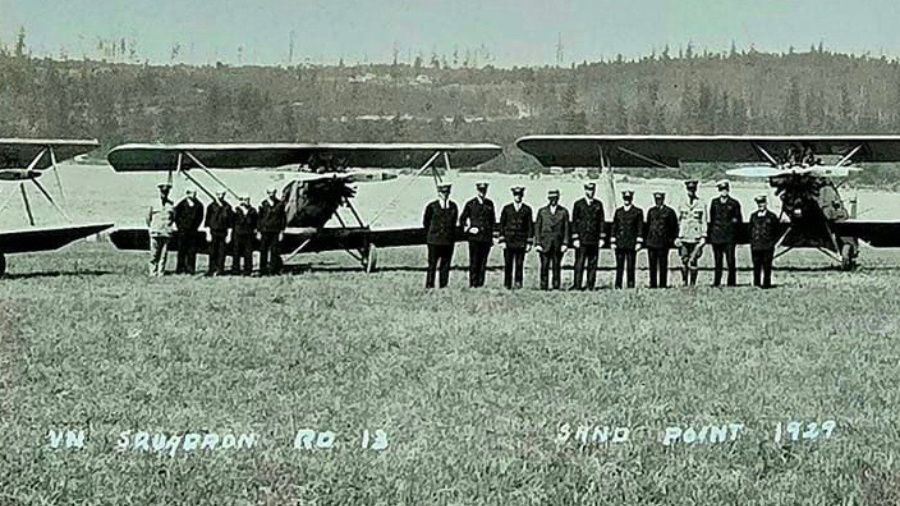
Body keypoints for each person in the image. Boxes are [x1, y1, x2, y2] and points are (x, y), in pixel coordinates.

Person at [569, 182, 605, 290]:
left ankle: (590, 285)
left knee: (593, 263)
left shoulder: (598, 204)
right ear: (585, 190)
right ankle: (577, 285)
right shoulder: (578, 204)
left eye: (592, 190)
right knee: (579, 263)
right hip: (582, 239)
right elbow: (574, 221)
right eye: (589, 190)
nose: (591, 192)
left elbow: (601, 221)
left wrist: (602, 237)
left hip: (594, 238)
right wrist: (575, 237)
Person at [459, 182, 496, 288]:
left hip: (486, 237)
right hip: (474, 238)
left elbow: (492, 221)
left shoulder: (489, 204)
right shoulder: (471, 204)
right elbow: (462, 219)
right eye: (481, 191)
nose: (482, 193)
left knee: (483, 261)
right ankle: (473, 283)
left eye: (484, 191)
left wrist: (492, 235)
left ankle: (480, 283)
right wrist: (469, 229)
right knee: (474, 261)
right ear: (477, 191)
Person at [708, 180, 742, 287]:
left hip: (729, 236)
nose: (724, 192)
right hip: (717, 236)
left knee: (731, 260)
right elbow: (712, 219)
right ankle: (717, 282)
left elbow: (738, 220)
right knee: (718, 261)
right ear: (719, 191)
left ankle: (731, 282)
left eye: (726, 190)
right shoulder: (714, 203)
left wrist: (734, 232)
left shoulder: (734, 203)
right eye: (722, 190)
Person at [498, 186, 533, 289]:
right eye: (516, 195)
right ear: (513, 196)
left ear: (522, 196)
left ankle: (518, 283)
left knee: (519, 264)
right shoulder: (507, 208)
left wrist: (529, 242)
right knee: (508, 264)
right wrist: (502, 240)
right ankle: (507, 284)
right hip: (509, 241)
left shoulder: (527, 209)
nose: (518, 197)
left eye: (520, 195)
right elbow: (502, 225)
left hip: (521, 241)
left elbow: (530, 226)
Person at [423, 183, 458, 289]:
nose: (445, 195)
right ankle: (430, 285)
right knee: (432, 264)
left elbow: (454, 222)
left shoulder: (453, 206)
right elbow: (426, 222)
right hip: (434, 240)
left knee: (446, 264)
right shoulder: (432, 206)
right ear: (439, 193)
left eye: (447, 193)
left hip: (448, 240)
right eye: (443, 193)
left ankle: (443, 284)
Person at [534, 189, 569, 291]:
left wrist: (565, 243)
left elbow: (566, 228)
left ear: (558, 199)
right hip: (545, 244)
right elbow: (537, 228)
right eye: (551, 199)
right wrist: (537, 243)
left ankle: (556, 285)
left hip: (558, 244)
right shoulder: (542, 211)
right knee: (544, 266)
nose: (553, 201)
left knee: (556, 266)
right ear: (548, 199)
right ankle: (544, 286)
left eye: (555, 199)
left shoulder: (563, 212)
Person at [675, 180, 706, 286]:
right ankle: (684, 281)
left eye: (693, 189)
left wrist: (703, 236)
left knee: (693, 261)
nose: (691, 191)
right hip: (684, 236)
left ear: (696, 189)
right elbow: (678, 221)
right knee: (684, 260)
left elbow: (704, 221)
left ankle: (693, 282)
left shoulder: (701, 203)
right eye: (689, 189)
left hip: (696, 237)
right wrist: (677, 237)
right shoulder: (681, 202)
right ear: (686, 189)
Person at [645, 191, 678, 288]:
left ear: (663, 199)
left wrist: (672, 239)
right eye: (656, 200)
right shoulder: (651, 211)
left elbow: (673, 227)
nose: (658, 201)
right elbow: (648, 226)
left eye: (659, 199)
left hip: (663, 242)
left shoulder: (669, 212)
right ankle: (653, 284)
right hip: (651, 242)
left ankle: (663, 284)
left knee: (663, 264)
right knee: (652, 265)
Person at [611, 190, 643, 289]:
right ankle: (618, 285)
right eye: (625, 198)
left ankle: (630, 284)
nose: (627, 201)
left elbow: (640, 227)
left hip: (631, 243)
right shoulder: (618, 212)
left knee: (630, 266)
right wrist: (613, 241)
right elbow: (614, 226)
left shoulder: (637, 212)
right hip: (620, 243)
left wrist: (639, 241)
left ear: (631, 199)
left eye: (628, 199)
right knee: (619, 266)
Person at [748, 195, 780, 288]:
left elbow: (777, 230)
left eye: (762, 203)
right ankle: (757, 283)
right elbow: (750, 230)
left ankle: (766, 284)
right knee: (756, 266)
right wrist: (752, 241)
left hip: (767, 245)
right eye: (759, 204)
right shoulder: (753, 216)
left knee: (767, 266)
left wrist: (772, 242)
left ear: (766, 203)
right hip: (756, 245)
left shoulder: (772, 216)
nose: (761, 205)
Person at [147, 183, 176, 277]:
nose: (164, 194)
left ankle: (161, 272)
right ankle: (152, 271)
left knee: (163, 254)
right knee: (154, 254)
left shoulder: (171, 204)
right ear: (160, 192)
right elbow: (148, 217)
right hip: (156, 231)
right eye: (163, 192)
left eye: (166, 192)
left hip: (166, 232)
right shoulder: (153, 203)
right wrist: (152, 227)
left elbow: (173, 217)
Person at [173, 189, 204, 274]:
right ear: (187, 194)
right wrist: (180, 227)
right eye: (191, 193)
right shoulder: (181, 204)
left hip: (193, 231)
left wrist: (196, 227)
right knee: (181, 250)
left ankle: (190, 268)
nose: (193, 195)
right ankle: (180, 268)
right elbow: (176, 217)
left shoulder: (199, 205)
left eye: (195, 193)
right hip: (182, 231)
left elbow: (200, 217)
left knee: (192, 250)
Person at [258, 188, 286, 275]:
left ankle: (273, 270)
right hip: (265, 231)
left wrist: (281, 231)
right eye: (269, 193)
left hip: (275, 231)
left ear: (275, 193)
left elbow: (283, 218)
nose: (271, 194)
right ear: (267, 193)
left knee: (274, 251)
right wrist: (259, 231)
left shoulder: (280, 204)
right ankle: (263, 270)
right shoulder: (263, 204)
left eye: (273, 193)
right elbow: (259, 219)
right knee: (263, 251)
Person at [204, 190, 233, 276]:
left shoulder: (228, 207)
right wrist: (208, 233)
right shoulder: (211, 206)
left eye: (222, 194)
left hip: (223, 232)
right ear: (216, 195)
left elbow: (230, 223)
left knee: (222, 252)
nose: (220, 196)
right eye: (218, 194)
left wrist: (229, 235)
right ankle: (211, 269)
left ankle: (220, 270)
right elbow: (207, 221)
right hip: (213, 231)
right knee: (212, 251)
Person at [231, 195, 258, 276]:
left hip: (249, 234)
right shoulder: (236, 210)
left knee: (248, 252)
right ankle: (236, 270)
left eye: (248, 199)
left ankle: (248, 270)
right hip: (238, 233)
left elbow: (256, 222)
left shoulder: (252, 210)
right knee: (236, 252)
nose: (247, 201)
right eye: (245, 199)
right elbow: (232, 222)